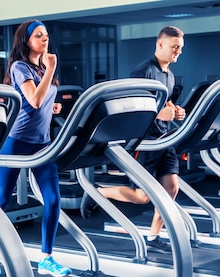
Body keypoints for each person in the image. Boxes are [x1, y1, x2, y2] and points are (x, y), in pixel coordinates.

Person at [0, 20, 71, 277]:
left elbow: (41, 103)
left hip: (42, 142)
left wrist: (53, 108)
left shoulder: (43, 69)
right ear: (26, 41)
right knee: (3, 198)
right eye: (38, 35)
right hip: (16, 141)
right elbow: (35, 99)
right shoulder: (20, 67)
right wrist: (51, 70)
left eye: (46, 35)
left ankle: (46, 258)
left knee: (53, 199)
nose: (44, 39)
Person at [80, 26, 187, 253]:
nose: (178, 52)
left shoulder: (168, 75)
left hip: (164, 138)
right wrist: (159, 114)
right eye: (174, 47)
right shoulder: (144, 71)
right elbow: (133, 107)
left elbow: (161, 103)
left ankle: (153, 237)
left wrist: (174, 110)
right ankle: (97, 192)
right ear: (160, 45)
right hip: (145, 141)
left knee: (171, 188)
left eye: (180, 48)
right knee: (143, 197)